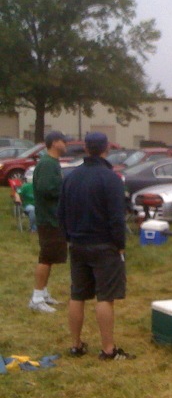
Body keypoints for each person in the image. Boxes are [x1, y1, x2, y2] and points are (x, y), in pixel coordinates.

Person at [58, 132, 134, 360]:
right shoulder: (110, 178)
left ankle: (76, 345)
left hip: (78, 244)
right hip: (104, 245)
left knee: (77, 295)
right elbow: (116, 217)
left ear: (86, 149)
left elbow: (60, 213)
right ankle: (108, 349)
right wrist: (120, 245)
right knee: (105, 297)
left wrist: (68, 237)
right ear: (106, 149)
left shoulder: (71, 177)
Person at [28, 130, 68, 313]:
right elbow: (46, 189)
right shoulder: (47, 164)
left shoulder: (52, 162)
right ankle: (36, 298)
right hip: (48, 219)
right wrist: (65, 190)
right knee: (46, 257)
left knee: (50, 257)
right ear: (54, 143)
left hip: (53, 218)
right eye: (63, 141)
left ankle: (43, 293)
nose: (66, 144)